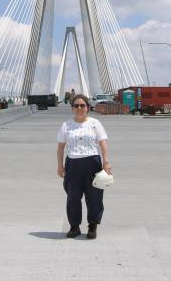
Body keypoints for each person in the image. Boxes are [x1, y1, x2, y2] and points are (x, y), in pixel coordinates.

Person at [57, 93, 112, 239]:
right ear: (72, 108)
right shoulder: (66, 125)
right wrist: (60, 166)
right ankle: (74, 227)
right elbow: (60, 148)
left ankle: (92, 226)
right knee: (73, 197)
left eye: (82, 105)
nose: (79, 108)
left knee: (94, 196)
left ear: (88, 107)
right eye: (76, 106)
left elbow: (103, 144)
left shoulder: (95, 123)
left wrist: (106, 162)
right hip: (73, 164)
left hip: (92, 163)